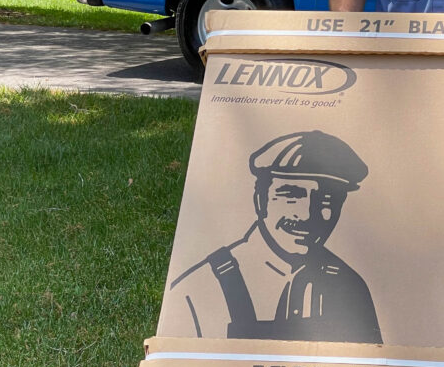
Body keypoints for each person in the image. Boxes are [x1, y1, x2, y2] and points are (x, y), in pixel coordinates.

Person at [161, 130, 382, 344]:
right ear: (260, 200)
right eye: (292, 195)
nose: (306, 215)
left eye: (326, 200)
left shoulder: (349, 286)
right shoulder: (197, 291)